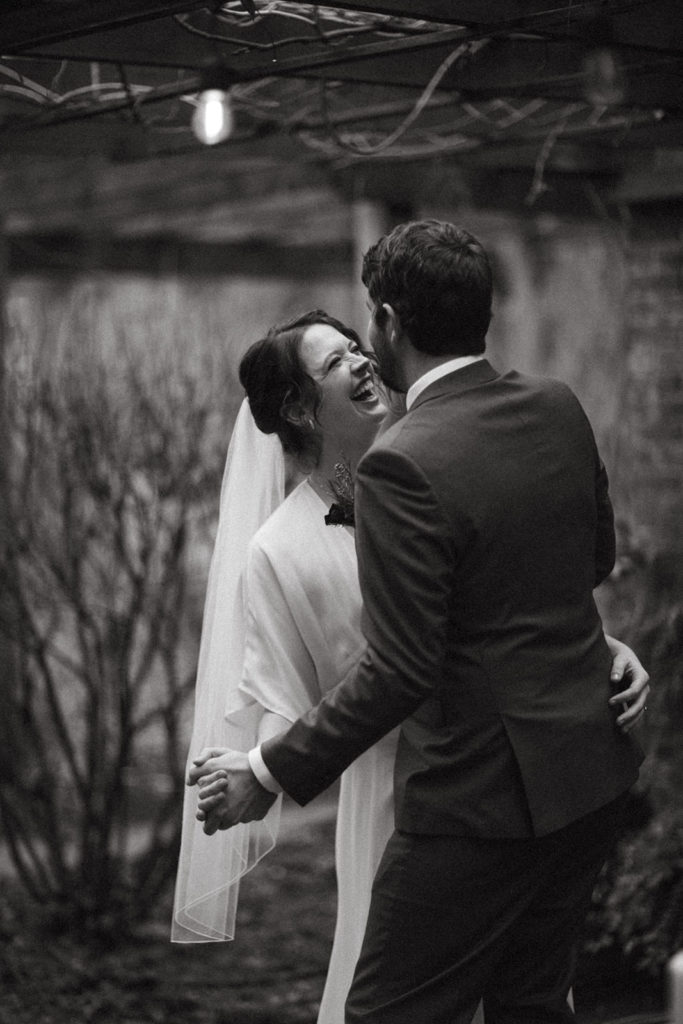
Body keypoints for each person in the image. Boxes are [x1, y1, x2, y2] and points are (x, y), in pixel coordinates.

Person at [188, 220, 649, 1024]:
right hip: (573, 782)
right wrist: (579, 647)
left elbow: (406, 664)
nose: (363, 355)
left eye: (361, 332)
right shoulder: (553, 404)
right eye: (334, 362)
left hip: (468, 801)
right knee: (532, 1005)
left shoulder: (402, 462)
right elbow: (581, 566)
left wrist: (262, 773)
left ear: (390, 322)